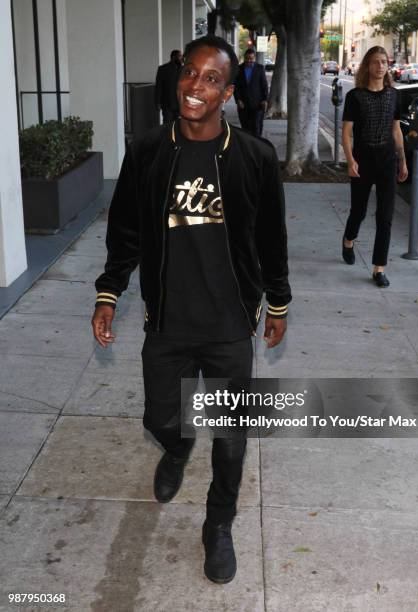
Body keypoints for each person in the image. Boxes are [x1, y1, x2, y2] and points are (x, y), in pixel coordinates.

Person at [91, 35, 291, 584]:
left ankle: (218, 524)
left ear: (227, 93)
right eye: (190, 74)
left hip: (229, 325)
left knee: (230, 437)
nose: (195, 88)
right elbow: (126, 231)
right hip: (168, 323)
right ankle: (176, 448)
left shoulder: (253, 157)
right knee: (162, 416)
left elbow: (272, 239)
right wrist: (109, 292)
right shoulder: (149, 151)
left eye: (210, 80)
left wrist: (278, 301)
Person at [341, 46, 408, 287]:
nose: (380, 67)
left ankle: (379, 268)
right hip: (362, 160)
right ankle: (348, 240)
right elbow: (346, 133)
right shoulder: (355, 96)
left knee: (385, 216)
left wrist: (403, 160)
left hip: (387, 161)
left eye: (384, 62)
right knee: (358, 211)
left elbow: (396, 129)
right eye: (375, 62)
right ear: (367, 66)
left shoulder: (394, 95)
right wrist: (350, 161)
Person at [233, 48, 268, 137]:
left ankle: (257, 145)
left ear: (254, 58)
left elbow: (264, 85)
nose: (249, 61)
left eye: (251, 59)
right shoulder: (239, 69)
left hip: (257, 104)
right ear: (244, 58)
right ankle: (248, 147)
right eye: (247, 59)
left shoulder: (260, 69)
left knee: (256, 127)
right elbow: (235, 86)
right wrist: (238, 100)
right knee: (245, 128)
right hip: (243, 105)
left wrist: (265, 100)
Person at [155, 49, 183, 123]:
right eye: (179, 56)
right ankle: (166, 135)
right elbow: (159, 86)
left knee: (178, 125)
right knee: (167, 124)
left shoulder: (183, 69)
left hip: (180, 103)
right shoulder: (163, 69)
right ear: (173, 57)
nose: (181, 58)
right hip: (167, 103)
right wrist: (157, 102)